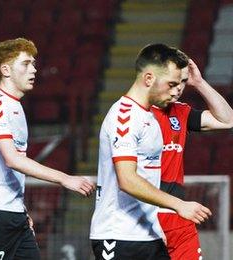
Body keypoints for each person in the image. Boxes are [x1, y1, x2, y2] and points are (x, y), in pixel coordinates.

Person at [0, 38, 95, 260]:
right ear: (5, 69)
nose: (33, 69)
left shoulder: (15, 107)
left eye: (33, 64)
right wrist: (65, 178)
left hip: (14, 216)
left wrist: (20, 210)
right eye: (25, 64)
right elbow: (12, 160)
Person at [90, 43, 212, 260]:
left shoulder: (149, 117)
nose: (177, 91)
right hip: (119, 236)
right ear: (148, 79)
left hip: (149, 235)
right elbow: (127, 180)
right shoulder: (124, 116)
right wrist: (179, 205)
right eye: (172, 84)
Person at [153, 57, 233, 259]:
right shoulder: (132, 115)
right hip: (142, 215)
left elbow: (228, 120)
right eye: (174, 81)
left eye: (182, 81)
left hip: (179, 214)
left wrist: (199, 83)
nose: (179, 88)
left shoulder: (180, 112)